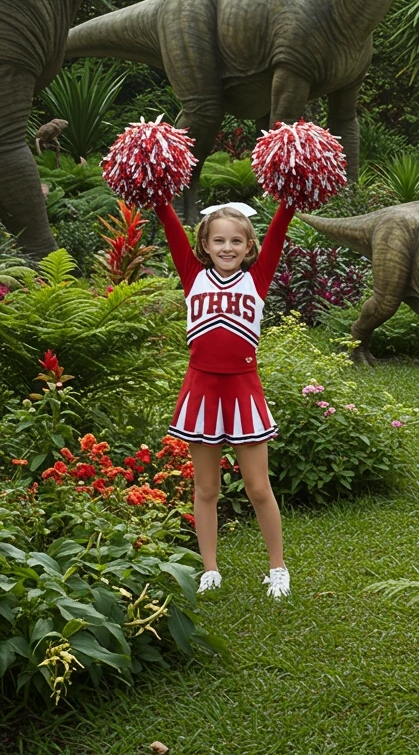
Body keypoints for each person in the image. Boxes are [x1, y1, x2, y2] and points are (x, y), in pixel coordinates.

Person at [154, 197, 294, 598]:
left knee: (258, 486)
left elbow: (280, 232)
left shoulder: (258, 277)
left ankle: (277, 568)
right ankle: (210, 569)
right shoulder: (192, 274)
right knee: (206, 489)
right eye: (219, 241)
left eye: (236, 241)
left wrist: (288, 199)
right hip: (201, 389)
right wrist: (161, 195)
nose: (227, 248)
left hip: (242, 390)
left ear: (249, 246)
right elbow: (170, 226)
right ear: (204, 245)